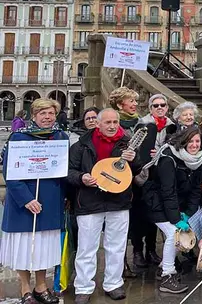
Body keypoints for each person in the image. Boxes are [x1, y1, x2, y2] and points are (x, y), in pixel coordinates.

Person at [1, 99, 67, 304]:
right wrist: (26, 199)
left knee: (43, 246)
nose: (47, 117)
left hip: (50, 198)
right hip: (24, 200)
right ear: (34, 115)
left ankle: (41, 286)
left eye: (51, 113)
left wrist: (65, 196)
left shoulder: (61, 137)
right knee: (24, 246)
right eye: (43, 114)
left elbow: (64, 170)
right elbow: (9, 172)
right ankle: (25, 287)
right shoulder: (18, 138)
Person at [68, 108, 136, 303]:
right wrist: (82, 177)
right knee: (87, 246)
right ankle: (83, 286)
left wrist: (135, 160)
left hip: (119, 200)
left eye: (116, 122)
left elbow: (138, 170)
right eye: (108, 123)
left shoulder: (127, 143)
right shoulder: (81, 145)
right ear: (98, 124)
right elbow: (69, 171)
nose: (113, 126)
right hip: (89, 200)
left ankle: (113, 284)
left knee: (116, 245)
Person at [142, 127, 202, 294]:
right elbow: (167, 191)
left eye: (197, 141)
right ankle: (167, 276)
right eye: (190, 141)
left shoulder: (198, 159)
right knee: (174, 233)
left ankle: (164, 265)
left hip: (177, 204)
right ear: (183, 142)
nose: (194, 145)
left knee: (180, 232)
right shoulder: (168, 159)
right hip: (156, 202)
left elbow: (196, 190)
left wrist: (188, 213)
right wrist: (176, 218)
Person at [132, 95, 171, 271]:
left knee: (157, 214)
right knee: (141, 215)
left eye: (163, 105)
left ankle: (151, 249)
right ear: (150, 108)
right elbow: (135, 147)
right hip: (144, 174)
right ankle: (138, 250)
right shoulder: (143, 125)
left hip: (161, 175)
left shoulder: (172, 125)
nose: (160, 108)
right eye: (156, 105)